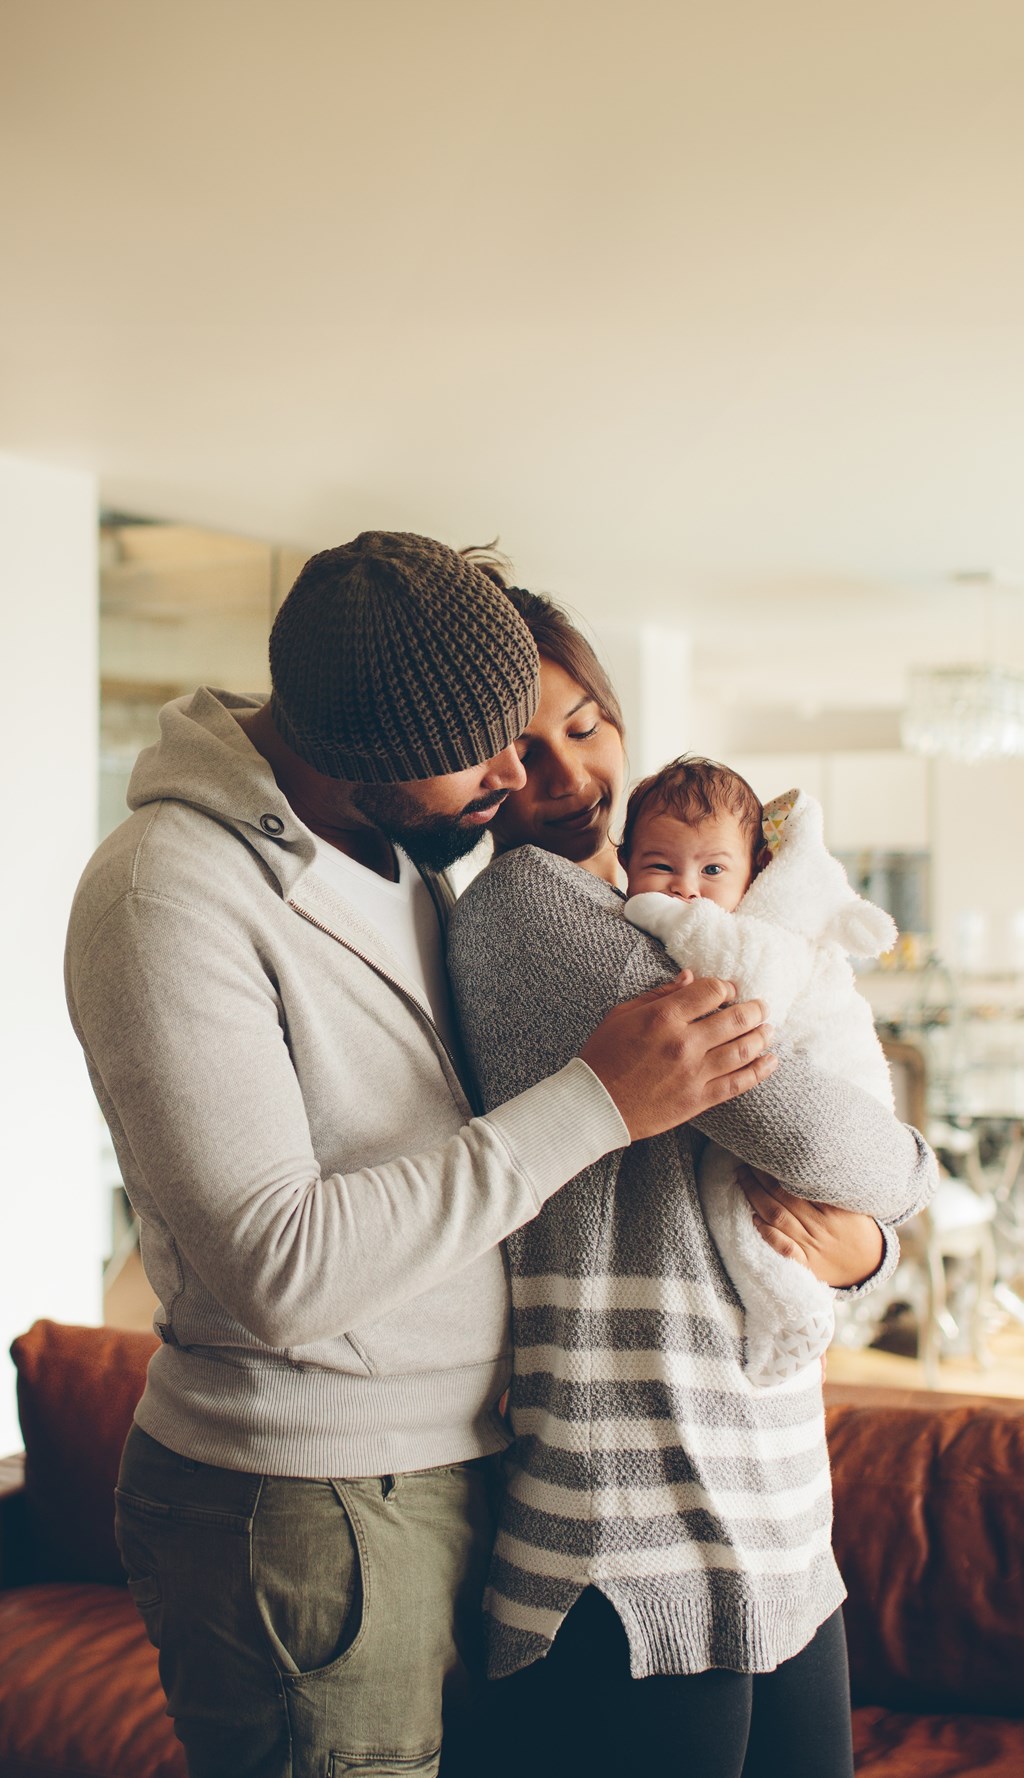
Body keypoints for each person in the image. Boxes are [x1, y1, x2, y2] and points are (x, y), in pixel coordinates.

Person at [64, 531, 782, 1778]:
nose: (522, 770)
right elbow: (281, 1269)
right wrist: (596, 1100)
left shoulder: (399, 855)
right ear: (362, 755)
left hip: (459, 1470)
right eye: (486, 746)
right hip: (304, 1503)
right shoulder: (166, 892)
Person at [446, 579, 936, 1778]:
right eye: (520, 738)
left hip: (770, 1505)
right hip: (626, 1530)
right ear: (467, 760)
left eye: (585, 722)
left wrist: (866, 1247)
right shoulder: (530, 916)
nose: (563, 769)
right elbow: (816, 1137)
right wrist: (904, 1189)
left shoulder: (652, 911)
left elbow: (818, 1176)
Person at [621, 755, 900, 1386]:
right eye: (660, 867)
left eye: (713, 870)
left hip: (836, 1093)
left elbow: (746, 1000)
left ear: (752, 876)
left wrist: (660, 914)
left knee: (739, 1196)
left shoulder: (761, 935)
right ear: (626, 865)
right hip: (817, 1114)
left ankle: (796, 1310)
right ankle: (797, 1309)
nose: (686, 888)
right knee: (756, 1207)